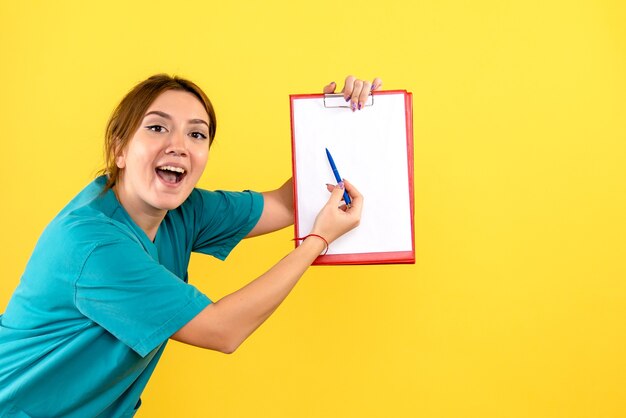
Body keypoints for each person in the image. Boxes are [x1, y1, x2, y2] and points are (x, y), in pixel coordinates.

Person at [0, 74, 382, 417]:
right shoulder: (93, 245)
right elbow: (222, 331)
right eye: (156, 128)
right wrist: (317, 241)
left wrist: (334, 126)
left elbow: (285, 203)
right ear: (119, 149)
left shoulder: (184, 210)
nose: (179, 145)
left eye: (196, 134)